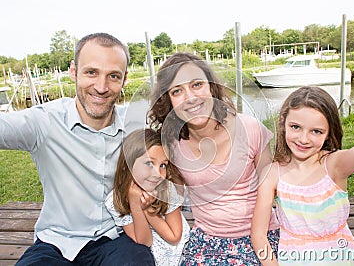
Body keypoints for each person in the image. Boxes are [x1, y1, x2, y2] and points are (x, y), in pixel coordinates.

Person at [0, 33, 155, 265]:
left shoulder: (136, 123)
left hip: (117, 238)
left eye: (113, 76)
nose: (101, 87)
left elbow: (190, 131)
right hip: (56, 243)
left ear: (124, 80)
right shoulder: (44, 121)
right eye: (91, 72)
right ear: (73, 71)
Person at [147, 52, 280, 265]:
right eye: (177, 91)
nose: (190, 97)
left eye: (197, 84)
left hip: (261, 235)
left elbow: (271, 192)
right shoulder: (171, 146)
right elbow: (174, 196)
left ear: (211, 87)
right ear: (168, 101)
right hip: (208, 241)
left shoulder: (251, 130)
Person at [251, 86, 354, 265]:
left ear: (329, 132)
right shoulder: (272, 174)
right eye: (296, 127)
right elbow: (259, 235)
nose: (304, 139)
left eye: (316, 131)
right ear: (283, 123)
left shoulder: (335, 165)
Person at [105, 128, 190, 266]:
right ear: (129, 164)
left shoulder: (167, 189)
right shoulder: (116, 199)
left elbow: (174, 237)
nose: (157, 173)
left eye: (163, 165)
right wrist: (135, 205)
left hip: (183, 254)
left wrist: (147, 209)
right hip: (151, 260)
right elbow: (144, 242)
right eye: (149, 163)